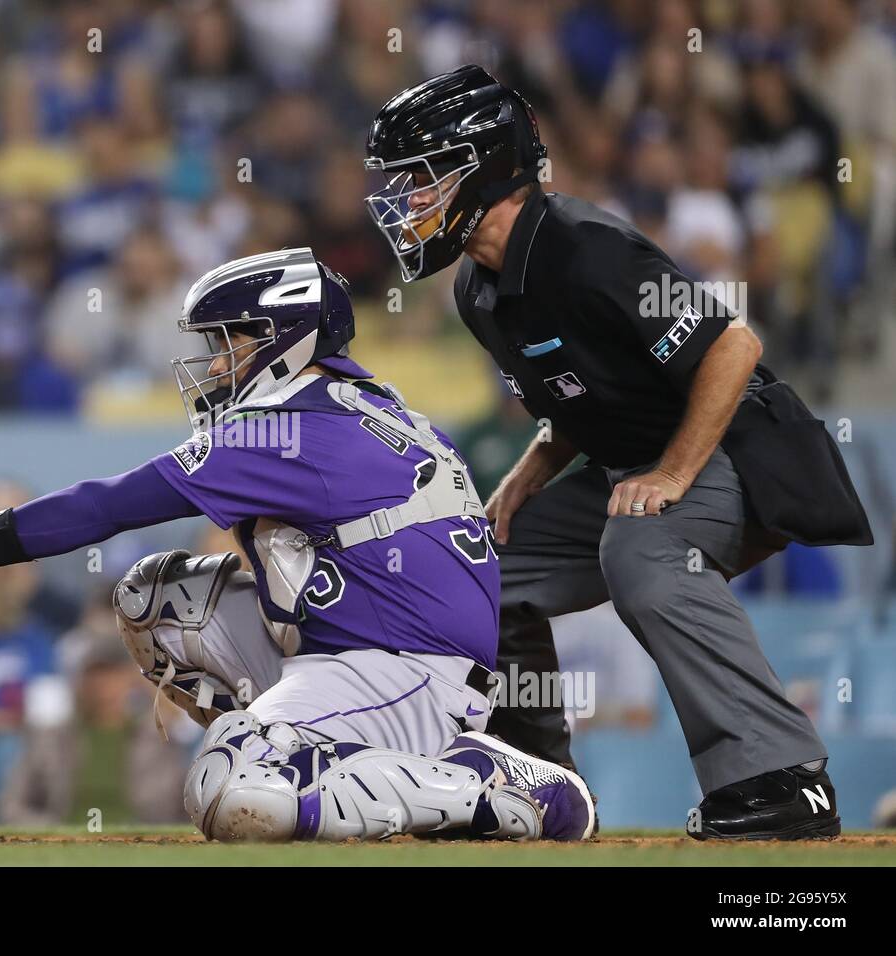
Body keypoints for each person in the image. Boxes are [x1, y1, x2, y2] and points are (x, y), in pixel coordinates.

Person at [0, 247, 596, 842]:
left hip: (404, 669)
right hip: (364, 648)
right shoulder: (356, 403)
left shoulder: (290, 423)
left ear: (287, 340)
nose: (217, 361)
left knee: (227, 789)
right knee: (155, 600)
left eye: (233, 341)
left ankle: (485, 785)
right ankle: (308, 762)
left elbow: (110, 504)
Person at [363, 66, 872, 839]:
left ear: (487, 166)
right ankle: (525, 782)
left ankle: (782, 778)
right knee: (481, 565)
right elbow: (581, 392)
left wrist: (670, 473)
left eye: (425, 178)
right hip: (631, 461)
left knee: (643, 550)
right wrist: (531, 470)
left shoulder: (586, 247)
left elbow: (732, 346)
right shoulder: (478, 289)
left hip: (741, 448)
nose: (409, 201)